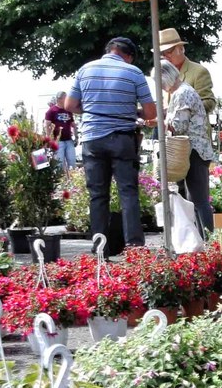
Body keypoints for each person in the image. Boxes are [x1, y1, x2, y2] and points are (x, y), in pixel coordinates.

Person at [65, 36, 157, 254]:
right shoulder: (133, 72)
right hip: (122, 139)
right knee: (128, 193)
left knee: (97, 195)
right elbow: (151, 112)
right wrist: (131, 112)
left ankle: (99, 249)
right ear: (128, 56)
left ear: (109, 50)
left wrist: (92, 111)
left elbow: (70, 105)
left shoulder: (84, 69)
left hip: (92, 139)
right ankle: (134, 247)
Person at [160, 60, 216, 238]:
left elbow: (179, 125)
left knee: (198, 201)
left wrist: (161, 123)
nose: (161, 88)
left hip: (194, 151)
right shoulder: (182, 91)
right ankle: (200, 239)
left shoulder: (182, 93)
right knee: (194, 200)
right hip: (194, 150)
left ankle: (207, 240)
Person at [157, 27, 215, 109]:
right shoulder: (164, 75)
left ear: (181, 49)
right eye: (162, 53)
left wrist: (182, 109)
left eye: (168, 51)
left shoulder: (199, 71)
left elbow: (209, 103)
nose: (165, 56)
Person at [44, 90, 78, 168]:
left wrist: (76, 137)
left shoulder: (68, 110)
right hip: (58, 142)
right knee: (59, 165)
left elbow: (73, 124)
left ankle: (72, 179)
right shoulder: (51, 111)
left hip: (69, 140)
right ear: (60, 99)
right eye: (65, 98)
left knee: (72, 164)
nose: (67, 99)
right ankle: (62, 179)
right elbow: (47, 125)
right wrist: (49, 139)